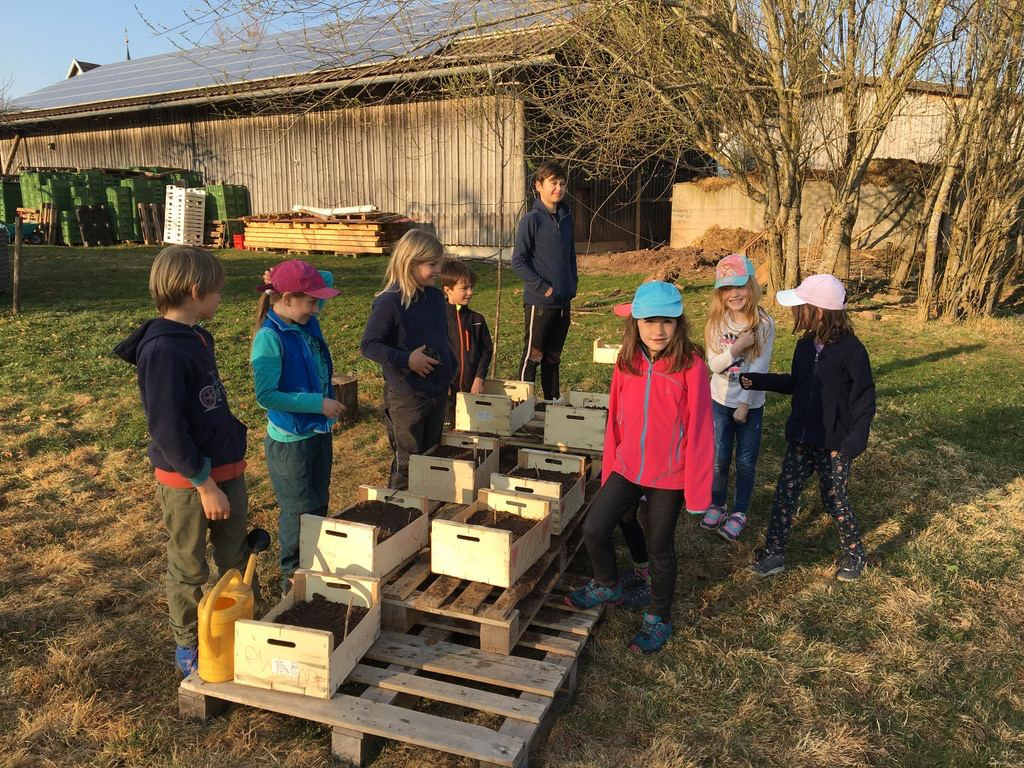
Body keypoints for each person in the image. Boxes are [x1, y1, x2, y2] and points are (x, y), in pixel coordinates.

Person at [114, 245, 253, 677]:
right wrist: (203, 482)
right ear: (195, 291)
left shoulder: (196, 338)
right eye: (217, 292)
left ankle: (242, 627)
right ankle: (190, 643)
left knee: (237, 554)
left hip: (226, 471)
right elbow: (167, 429)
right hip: (191, 483)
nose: (220, 299)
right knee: (189, 564)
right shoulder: (162, 353)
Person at [565, 281, 713, 653]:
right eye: (649, 321)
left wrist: (697, 490)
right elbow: (615, 417)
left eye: (666, 321)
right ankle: (607, 583)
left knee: (660, 546)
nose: (658, 330)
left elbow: (699, 431)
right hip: (628, 467)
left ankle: (658, 616)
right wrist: (612, 466)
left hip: (670, 474)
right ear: (635, 323)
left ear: (679, 323)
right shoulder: (625, 361)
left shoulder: (691, 366)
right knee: (595, 527)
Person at [740, 274, 875, 582]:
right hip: (801, 439)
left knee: (835, 500)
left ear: (818, 311)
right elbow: (796, 383)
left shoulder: (852, 351)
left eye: (799, 306)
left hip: (834, 444)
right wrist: (761, 380)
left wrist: (855, 440)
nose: (794, 312)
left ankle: (854, 554)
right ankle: (774, 553)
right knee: (784, 496)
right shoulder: (804, 346)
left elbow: (865, 400)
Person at [251, 259, 342, 593]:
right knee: (297, 508)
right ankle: (292, 574)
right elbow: (267, 395)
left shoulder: (301, 319)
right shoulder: (270, 337)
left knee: (319, 500)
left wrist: (275, 275)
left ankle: (315, 563)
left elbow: (325, 277)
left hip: (317, 432)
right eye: (311, 302)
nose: (317, 309)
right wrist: (317, 404)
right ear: (287, 299)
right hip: (291, 442)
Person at [360, 228, 455, 489]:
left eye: (440, 263)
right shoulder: (389, 302)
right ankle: (399, 510)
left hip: (436, 390)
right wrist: (407, 360)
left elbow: (441, 338)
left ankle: (425, 508)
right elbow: (368, 346)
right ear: (410, 263)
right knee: (409, 460)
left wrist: (449, 371)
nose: (438, 270)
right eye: (432, 264)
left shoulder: (436, 297)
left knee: (432, 455)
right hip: (406, 394)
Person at [700, 253, 775, 541]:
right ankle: (717, 504)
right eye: (727, 288)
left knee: (745, 460)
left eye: (740, 286)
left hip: (750, 405)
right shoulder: (717, 323)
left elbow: (760, 367)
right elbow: (714, 365)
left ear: (752, 286)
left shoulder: (764, 323)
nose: (735, 294)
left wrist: (745, 403)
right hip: (718, 400)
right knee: (719, 457)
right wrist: (738, 346)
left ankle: (740, 511)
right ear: (720, 292)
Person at [511, 161, 577, 401]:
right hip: (541, 302)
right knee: (534, 355)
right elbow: (518, 261)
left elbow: (570, 255)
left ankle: (552, 402)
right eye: (553, 183)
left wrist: (572, 285)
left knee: (553, 356)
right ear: (538, 186)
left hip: (563, 301)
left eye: (562, 183)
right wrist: (544, 288)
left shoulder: (567, 217)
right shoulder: (532, 220)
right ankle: (521, 405)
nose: (558, 188)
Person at [440, 258, 493, 425]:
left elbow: (487, 350)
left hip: (471, 389)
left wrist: (479, 378)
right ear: (447, 290)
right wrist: (441, 381)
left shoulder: (477, 319)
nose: (470, 292)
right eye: (464, 288)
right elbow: (432, 350)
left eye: (471, 287)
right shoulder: (437, 319)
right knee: (447, 433)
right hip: (446, 391)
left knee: (471, 429)